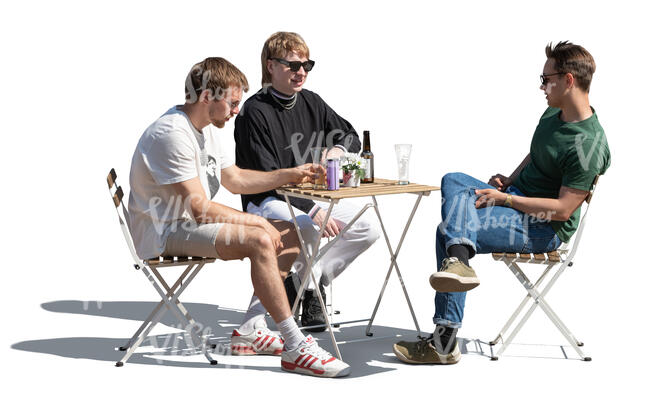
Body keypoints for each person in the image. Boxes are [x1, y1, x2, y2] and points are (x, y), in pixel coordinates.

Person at [127, 57, 350, 377]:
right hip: (163, 232)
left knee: (289, 231)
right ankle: (295, 346)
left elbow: (235, 180)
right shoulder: (172, 133)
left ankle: (250, 329)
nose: (236, 111)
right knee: (261, 237)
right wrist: (258, 221)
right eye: (232, 103)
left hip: (185, 222)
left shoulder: (204, 127)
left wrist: (290, 173)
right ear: (207, 97)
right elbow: (199, 209)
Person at [393, 41, 611, 365]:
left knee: (448, 230)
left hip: (542, 226)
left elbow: (564, 209)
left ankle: (445, 339)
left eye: (546, 78)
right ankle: (459, 261)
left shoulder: (588, 145)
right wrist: (509, 180)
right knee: (453, 180)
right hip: (515, 200)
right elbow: (536, 153)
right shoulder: (554, 112)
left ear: (568, 80)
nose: (541, 85)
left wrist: (507, 198)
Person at [234, 32, 380, 331]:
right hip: (265, 201)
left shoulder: (311, 101)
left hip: (307, 198)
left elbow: (349, 133)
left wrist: (338, 149)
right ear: (270, 66)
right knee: (306, 227)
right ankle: (308, 291)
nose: (301, 72)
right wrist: (312, 210)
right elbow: (267, 176)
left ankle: (308, 283)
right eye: (292, 65)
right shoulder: (254, 111)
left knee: (368, 227)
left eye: (306, 65)